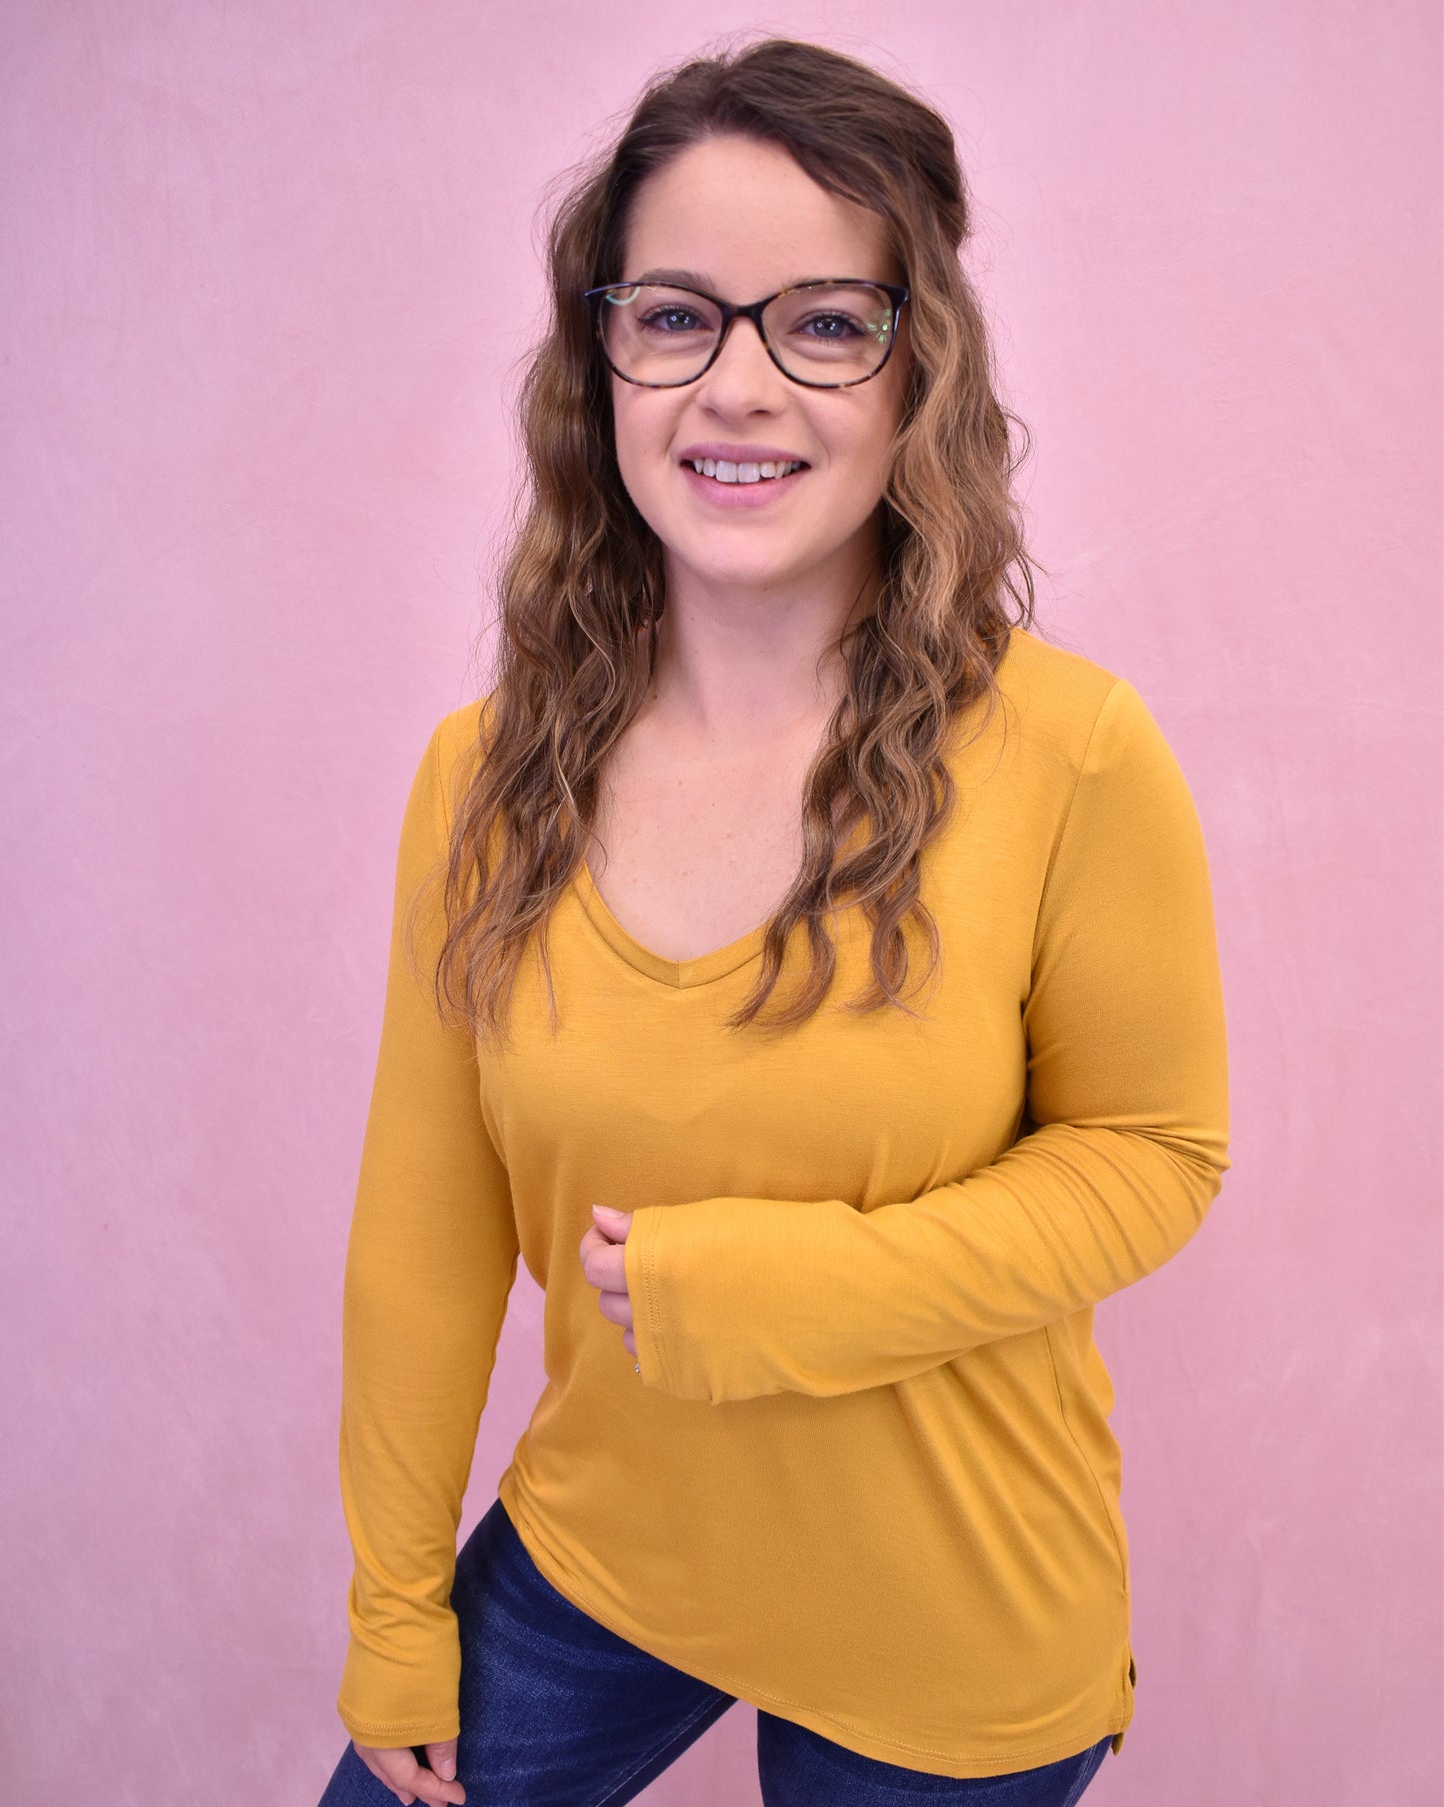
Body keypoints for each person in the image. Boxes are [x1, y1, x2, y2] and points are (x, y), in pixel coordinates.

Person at [316, 35, 1230, 1807]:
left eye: (821, 321)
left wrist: (781, 1290)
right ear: (603, 364)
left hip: (954, 1614)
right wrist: (393, 1602)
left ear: (914, 374)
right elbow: (423, 1235)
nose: (736, 387)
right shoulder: (481, 776)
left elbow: (1156, 1151)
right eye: (675, 316)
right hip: (606, 1557)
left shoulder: (1071, 754)